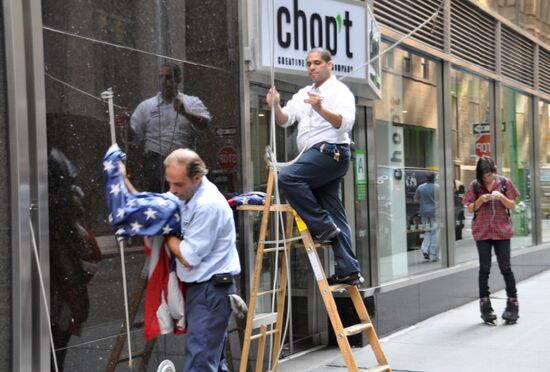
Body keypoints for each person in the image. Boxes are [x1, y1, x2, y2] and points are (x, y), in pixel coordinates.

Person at [118, 148, 241, 371]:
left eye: (178, 184)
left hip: (210, 291)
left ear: (197, 178)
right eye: (170, 183)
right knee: (210, 361)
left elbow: (186, 256)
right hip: (205, 289)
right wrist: (125, 181)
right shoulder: (186, 193)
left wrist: (164, 230)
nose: (172, 190)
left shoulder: (208, 204)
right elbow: (152, 208)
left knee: (200, 363)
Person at [265, 47, 363, 286]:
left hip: (331, 152)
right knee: (335, 213)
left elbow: (345, 125)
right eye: (309, 63)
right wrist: (276, 105)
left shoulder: (341, 91)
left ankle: (322, 227)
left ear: (330, 65)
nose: (312, 67)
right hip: (317, 157)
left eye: (317, 63)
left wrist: (321, 109)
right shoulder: (302, 93)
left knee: (287, 178)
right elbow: (285, 120)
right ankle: (348, 268)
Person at [129, 63, 211, 192]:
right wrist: (125, 124)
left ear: (178, 79)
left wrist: (185, 113)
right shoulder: (147, 106)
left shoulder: (191, 102)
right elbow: (133, 138)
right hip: (155, 161)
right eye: (161, 77)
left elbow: (205, 124)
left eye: (168, 77)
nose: (164, 82)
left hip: (184, 161)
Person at [462, 156, 520, 325]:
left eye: (489, 174)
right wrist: (480, 200)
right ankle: (485, 307)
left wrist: (501, 197)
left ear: (494, 171)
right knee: (484, 268)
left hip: (502, 231)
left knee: (506, 268)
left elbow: (512, 205)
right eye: (484, 175)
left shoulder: (504, 183)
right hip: (482, 232)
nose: (487, 178)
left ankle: (512, 305)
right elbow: (469, 207)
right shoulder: (475, 185)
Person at [414, 173, 440, 262]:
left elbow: (416, 199)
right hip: (435, 212)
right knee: (435, 232)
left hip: (424, 212)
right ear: (434, 178)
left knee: (427, 231)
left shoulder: (420, 187)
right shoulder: (438, 187)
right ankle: (433, 253)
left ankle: (425, 249)